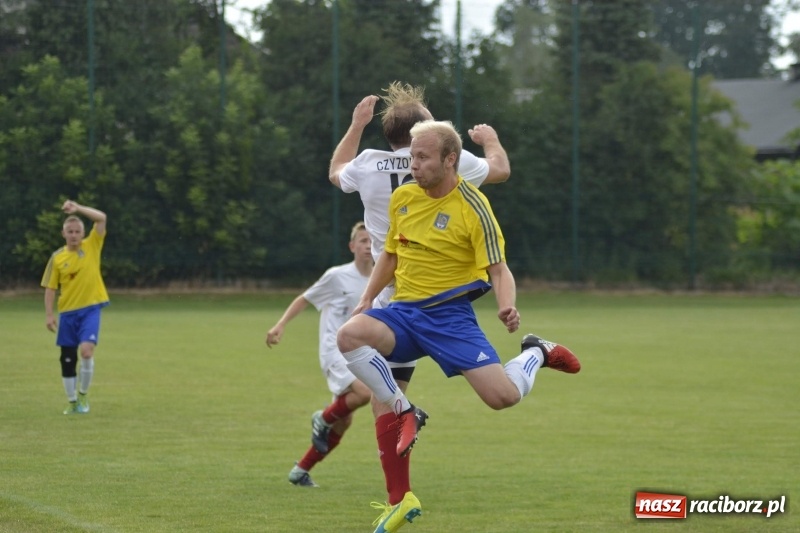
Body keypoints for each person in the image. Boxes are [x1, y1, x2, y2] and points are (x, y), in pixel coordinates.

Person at [336, 121, 582, 532]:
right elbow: (391, 256)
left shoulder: (474, 206)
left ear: (450, 160)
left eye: (422, 158)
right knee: (351, 335)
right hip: (405, 313)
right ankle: (404, 424)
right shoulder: (403, 198)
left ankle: (535, 351)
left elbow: (499, 270)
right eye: (412, 156)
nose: (413, 165)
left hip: (451, 319)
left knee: (502, 398)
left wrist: (508, 306)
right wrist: (365, 300)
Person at [328, 81, 511, 516]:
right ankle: (399, 497)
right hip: (407, 301)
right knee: (373, 378)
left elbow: (336, 170)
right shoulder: (453, 161)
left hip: (404, 299)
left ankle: (394, 486)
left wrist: (355, 126)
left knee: (382, 395)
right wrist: (491, 141)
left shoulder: (370, 164)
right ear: (421, 130)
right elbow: (501, 170)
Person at [265, 222, 374, 487]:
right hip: (334, 349)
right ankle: (321, 418)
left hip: (361, 351)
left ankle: (301, 470)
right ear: (352, 246)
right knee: (364, 393)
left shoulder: (381, 277)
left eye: (372, 241)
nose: (368, 246)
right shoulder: (337, 276)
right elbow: (305, 298)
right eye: (362, 241)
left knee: (344, 420)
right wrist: (280, 324)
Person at [41, 200, 110, 415]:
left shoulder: (92, 245)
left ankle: (83, 395)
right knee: (68, 359)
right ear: (63, 234)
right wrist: (50, 314)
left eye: (77, 231)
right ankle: (71, 402)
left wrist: (78, 209)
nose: (74, 235)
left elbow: (101, 217)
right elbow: (50, 288)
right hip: (68, 313)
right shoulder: (57, 258)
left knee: (87, 351)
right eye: (69, 231)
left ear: (82, 233)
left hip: (90, 309)